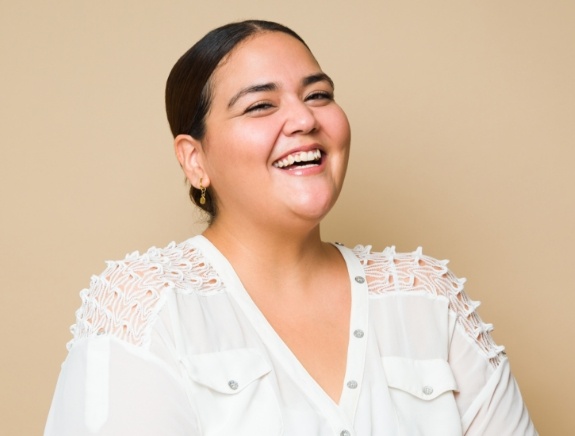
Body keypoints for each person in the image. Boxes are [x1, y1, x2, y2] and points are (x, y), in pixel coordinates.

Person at [45, 20, 537, 436]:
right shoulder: (148, 308)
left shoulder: (427, 300)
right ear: (195, 160)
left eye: (318, 94)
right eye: (261, 105)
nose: (304, 118)